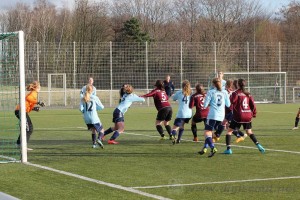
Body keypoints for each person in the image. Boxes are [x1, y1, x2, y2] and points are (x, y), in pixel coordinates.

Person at [224, 79, 265, 154]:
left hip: (239, 116)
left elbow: (231, 102)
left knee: (229, 131)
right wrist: (254, 113)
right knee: (249, 132)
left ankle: (228, 149)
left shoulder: (236, 93)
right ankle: (258, 145)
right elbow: (253, 105)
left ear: (237, 85)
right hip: (248, 115)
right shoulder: (248, 94)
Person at [198, 77, 230, 158]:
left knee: (207, 132)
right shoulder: (225, 92)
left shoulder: (211, 92)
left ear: (213, 84)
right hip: (221, 116)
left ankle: (212, 148)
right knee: (210, 133)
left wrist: (208, 101)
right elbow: (228, 105)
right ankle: (205, 148)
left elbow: (205, 105)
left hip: (213, 115)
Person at [15, 81, 45, 150]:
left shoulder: (34, 93)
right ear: (36, 88)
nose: (40, 88)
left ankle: (19, 144)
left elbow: (27, 104)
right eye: (39, 87)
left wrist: (34, 108)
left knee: (26, 128)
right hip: (21, 111)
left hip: (21, 111)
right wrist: (38, 102)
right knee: (29, 129)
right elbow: (28, 98)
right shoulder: (34, 93)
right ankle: (23, 146)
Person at [80, 84, 105, 149]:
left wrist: (85, 112)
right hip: (94, 117)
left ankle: (94, 144)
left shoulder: (83, 97)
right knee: (102, 130)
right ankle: (99, 139)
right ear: (92, 90)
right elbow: (102, 107)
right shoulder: (94, 97)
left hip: (86, 118)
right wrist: (96, 108)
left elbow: (80, 109)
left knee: (93, 130)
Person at [170, 80, 192, 144]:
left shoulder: (179, 92)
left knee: (174, 129)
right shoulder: (191, 93)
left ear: (182, 86)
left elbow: (173, 99)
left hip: (182, 113)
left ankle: (173, 136)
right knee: (182, 125)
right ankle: (179, 139)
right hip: (189, 114)